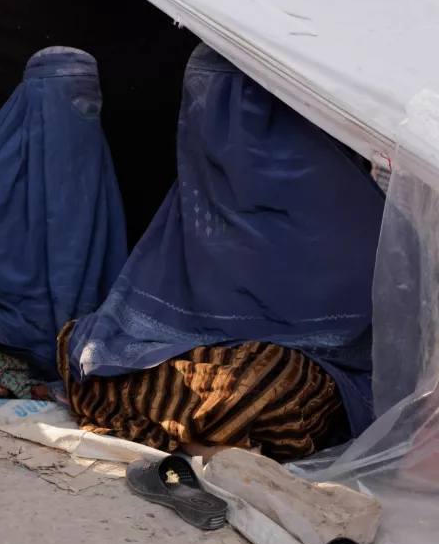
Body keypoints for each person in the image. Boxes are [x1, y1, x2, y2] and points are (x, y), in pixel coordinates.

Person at [59, 44, 386, 463]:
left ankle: (196, 433)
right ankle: (211, 439)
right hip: (199, 353)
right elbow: (144, 314)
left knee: (269, 382)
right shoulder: (195, 195)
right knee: (83, 351)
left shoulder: (340, 195)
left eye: (226, 100)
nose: (210, 117)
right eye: (200, 97)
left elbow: (361, 338)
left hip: (289, 367)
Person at [0, 47, 127, 400]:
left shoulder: (94, 170)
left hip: (82, 340)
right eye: (67, 101)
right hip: (7, 333)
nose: (80, 116)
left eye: (89, 105)